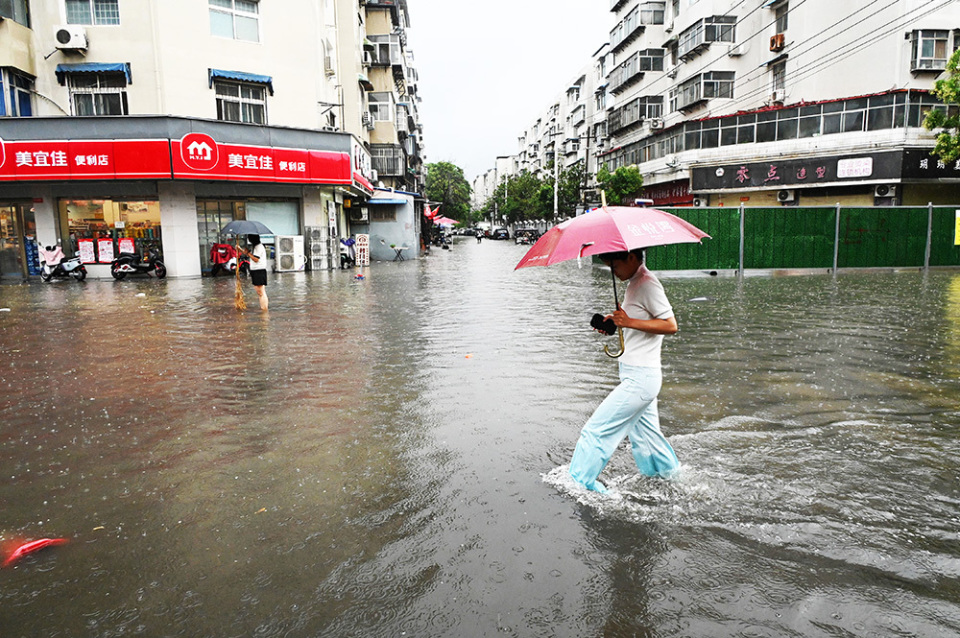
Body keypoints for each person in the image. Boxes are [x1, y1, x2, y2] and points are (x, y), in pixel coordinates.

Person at [568, 248, 679, 494]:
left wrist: (628, 322)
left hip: (641, 378)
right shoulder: (634, 284)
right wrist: (617, 322)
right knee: (647, 438)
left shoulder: (647, 284)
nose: (613, 272)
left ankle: (579, 484)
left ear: (631, 257)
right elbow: (641, 323)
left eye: (615, 266)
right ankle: (671, 480)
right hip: (637, 375)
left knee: (597, 430)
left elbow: (670, 325)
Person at [241, 234, 269, 311]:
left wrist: (248, 253)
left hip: (259, 271)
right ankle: (263, 308)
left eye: (249, 238)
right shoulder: (255, 247)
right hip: (256, 271)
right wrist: (245, 251)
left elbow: (256, 259)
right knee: (260, 291)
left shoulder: (258, 247)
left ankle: (264, 309)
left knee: (260, 292)